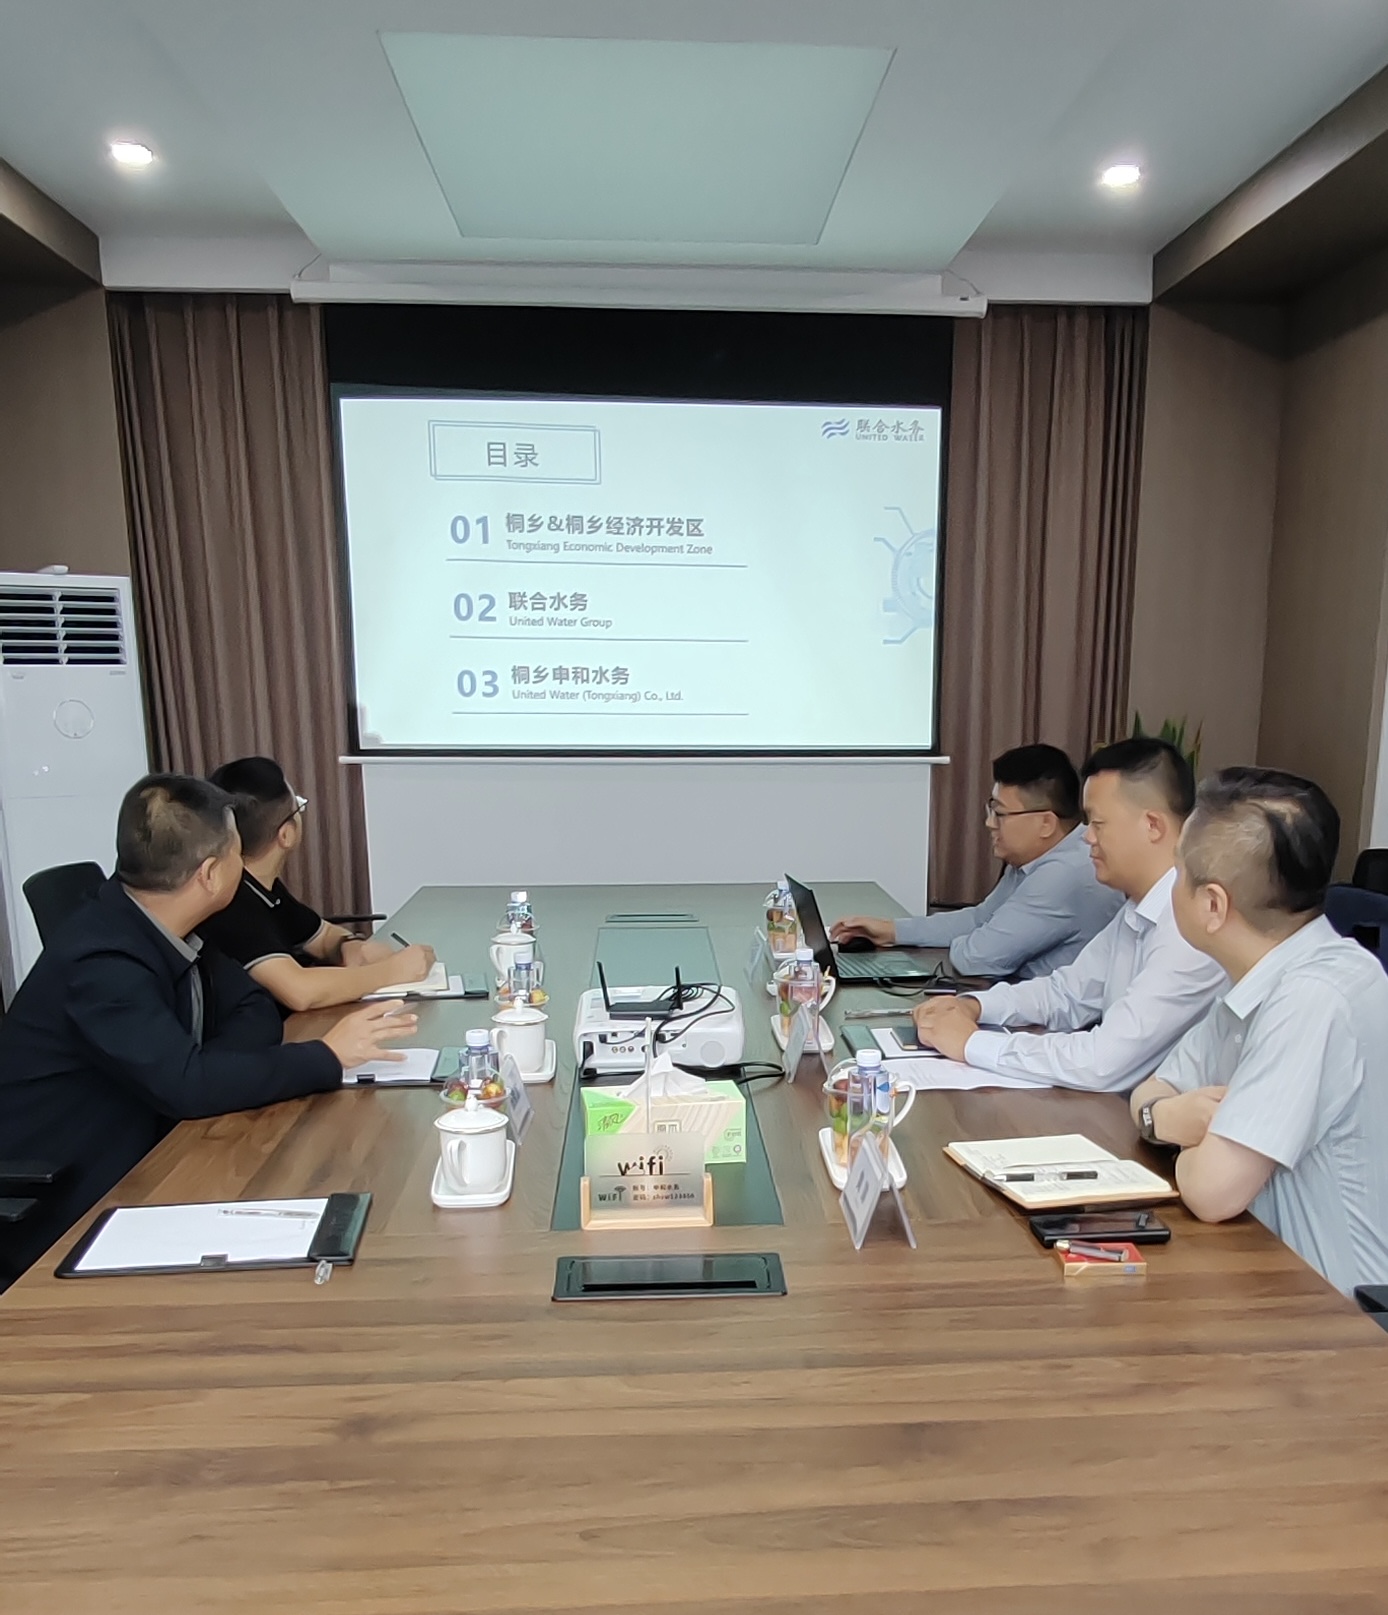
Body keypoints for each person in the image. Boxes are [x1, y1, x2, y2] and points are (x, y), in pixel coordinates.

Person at [0, 774, 415, 1286]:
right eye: (238, 853)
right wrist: (326, 1057)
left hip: (153, 1148)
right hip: (69, 1201)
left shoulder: (165, 923)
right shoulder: (101, 960)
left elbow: (253, 1008)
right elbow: (187, 1085)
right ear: (212, 874)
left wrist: (208, 1070)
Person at [1128, 768, 1388, 1296]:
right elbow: (1150, 1093)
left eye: (1178, 871)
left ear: (1213, 905)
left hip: (1341, 1315)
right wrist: (1167, 1117)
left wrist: (1176, 1129)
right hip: (1261, 1272)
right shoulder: (1262, 975)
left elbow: (1212, 1192)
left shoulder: (1314, 995)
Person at [912, 737, 1226, 1089]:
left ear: (1152, 825)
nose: (1087, 838)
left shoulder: (1191, 929)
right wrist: (974, 1006)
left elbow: (1101, 1063)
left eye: (1098, 823)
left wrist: (971, 1043)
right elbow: (1065, 993)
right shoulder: (1139, 908)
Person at [832, 744, 1120, 979]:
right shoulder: (1033, 859)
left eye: (1000, 814)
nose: (989, 823)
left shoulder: (1065, 872)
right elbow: (980, 919)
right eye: (990, 809)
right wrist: (891, 930)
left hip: (1055, 1022)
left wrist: (986, 941)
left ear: (1046, 823)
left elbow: (978, 958)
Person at [202, 756, 435, 1012]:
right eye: (299, 806)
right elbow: (300, 992)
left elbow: (321, 936)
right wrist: (393, 971)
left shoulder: (264, 888)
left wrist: (351, 946)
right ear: (286, 834)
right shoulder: (230, 902)